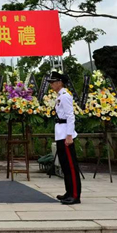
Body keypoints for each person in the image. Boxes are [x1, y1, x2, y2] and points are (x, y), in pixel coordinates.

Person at [49, 72, 81, 205]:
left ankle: (75, 195)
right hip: (60, 133)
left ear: (59, 83)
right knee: (65, 165)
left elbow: (70, 116)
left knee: (71, 166)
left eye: (53, 82)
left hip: (65, 134)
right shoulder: (60, 96)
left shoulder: (65, 96)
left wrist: (69, 135)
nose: (51, 84)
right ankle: (69, 192)